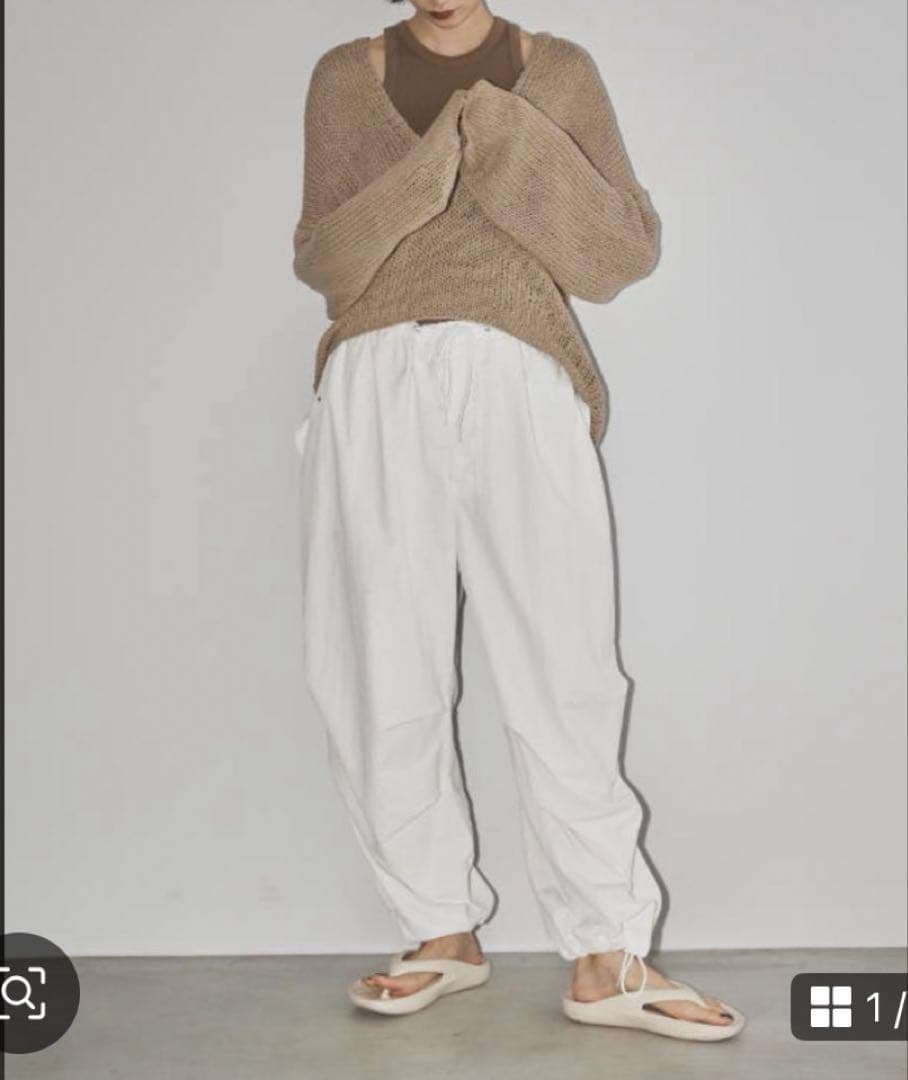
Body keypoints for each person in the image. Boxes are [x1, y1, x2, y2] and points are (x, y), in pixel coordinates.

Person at [291, 0, 745, 1040]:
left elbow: (617, 253)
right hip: (371, 374)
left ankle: (605, 952)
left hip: (517, 366)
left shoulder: (558, 71)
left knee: (563, 665)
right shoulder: (343, 76)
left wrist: (493, 129)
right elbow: (325, 262)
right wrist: (435, 163)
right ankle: (436, 930)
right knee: (374, 666)